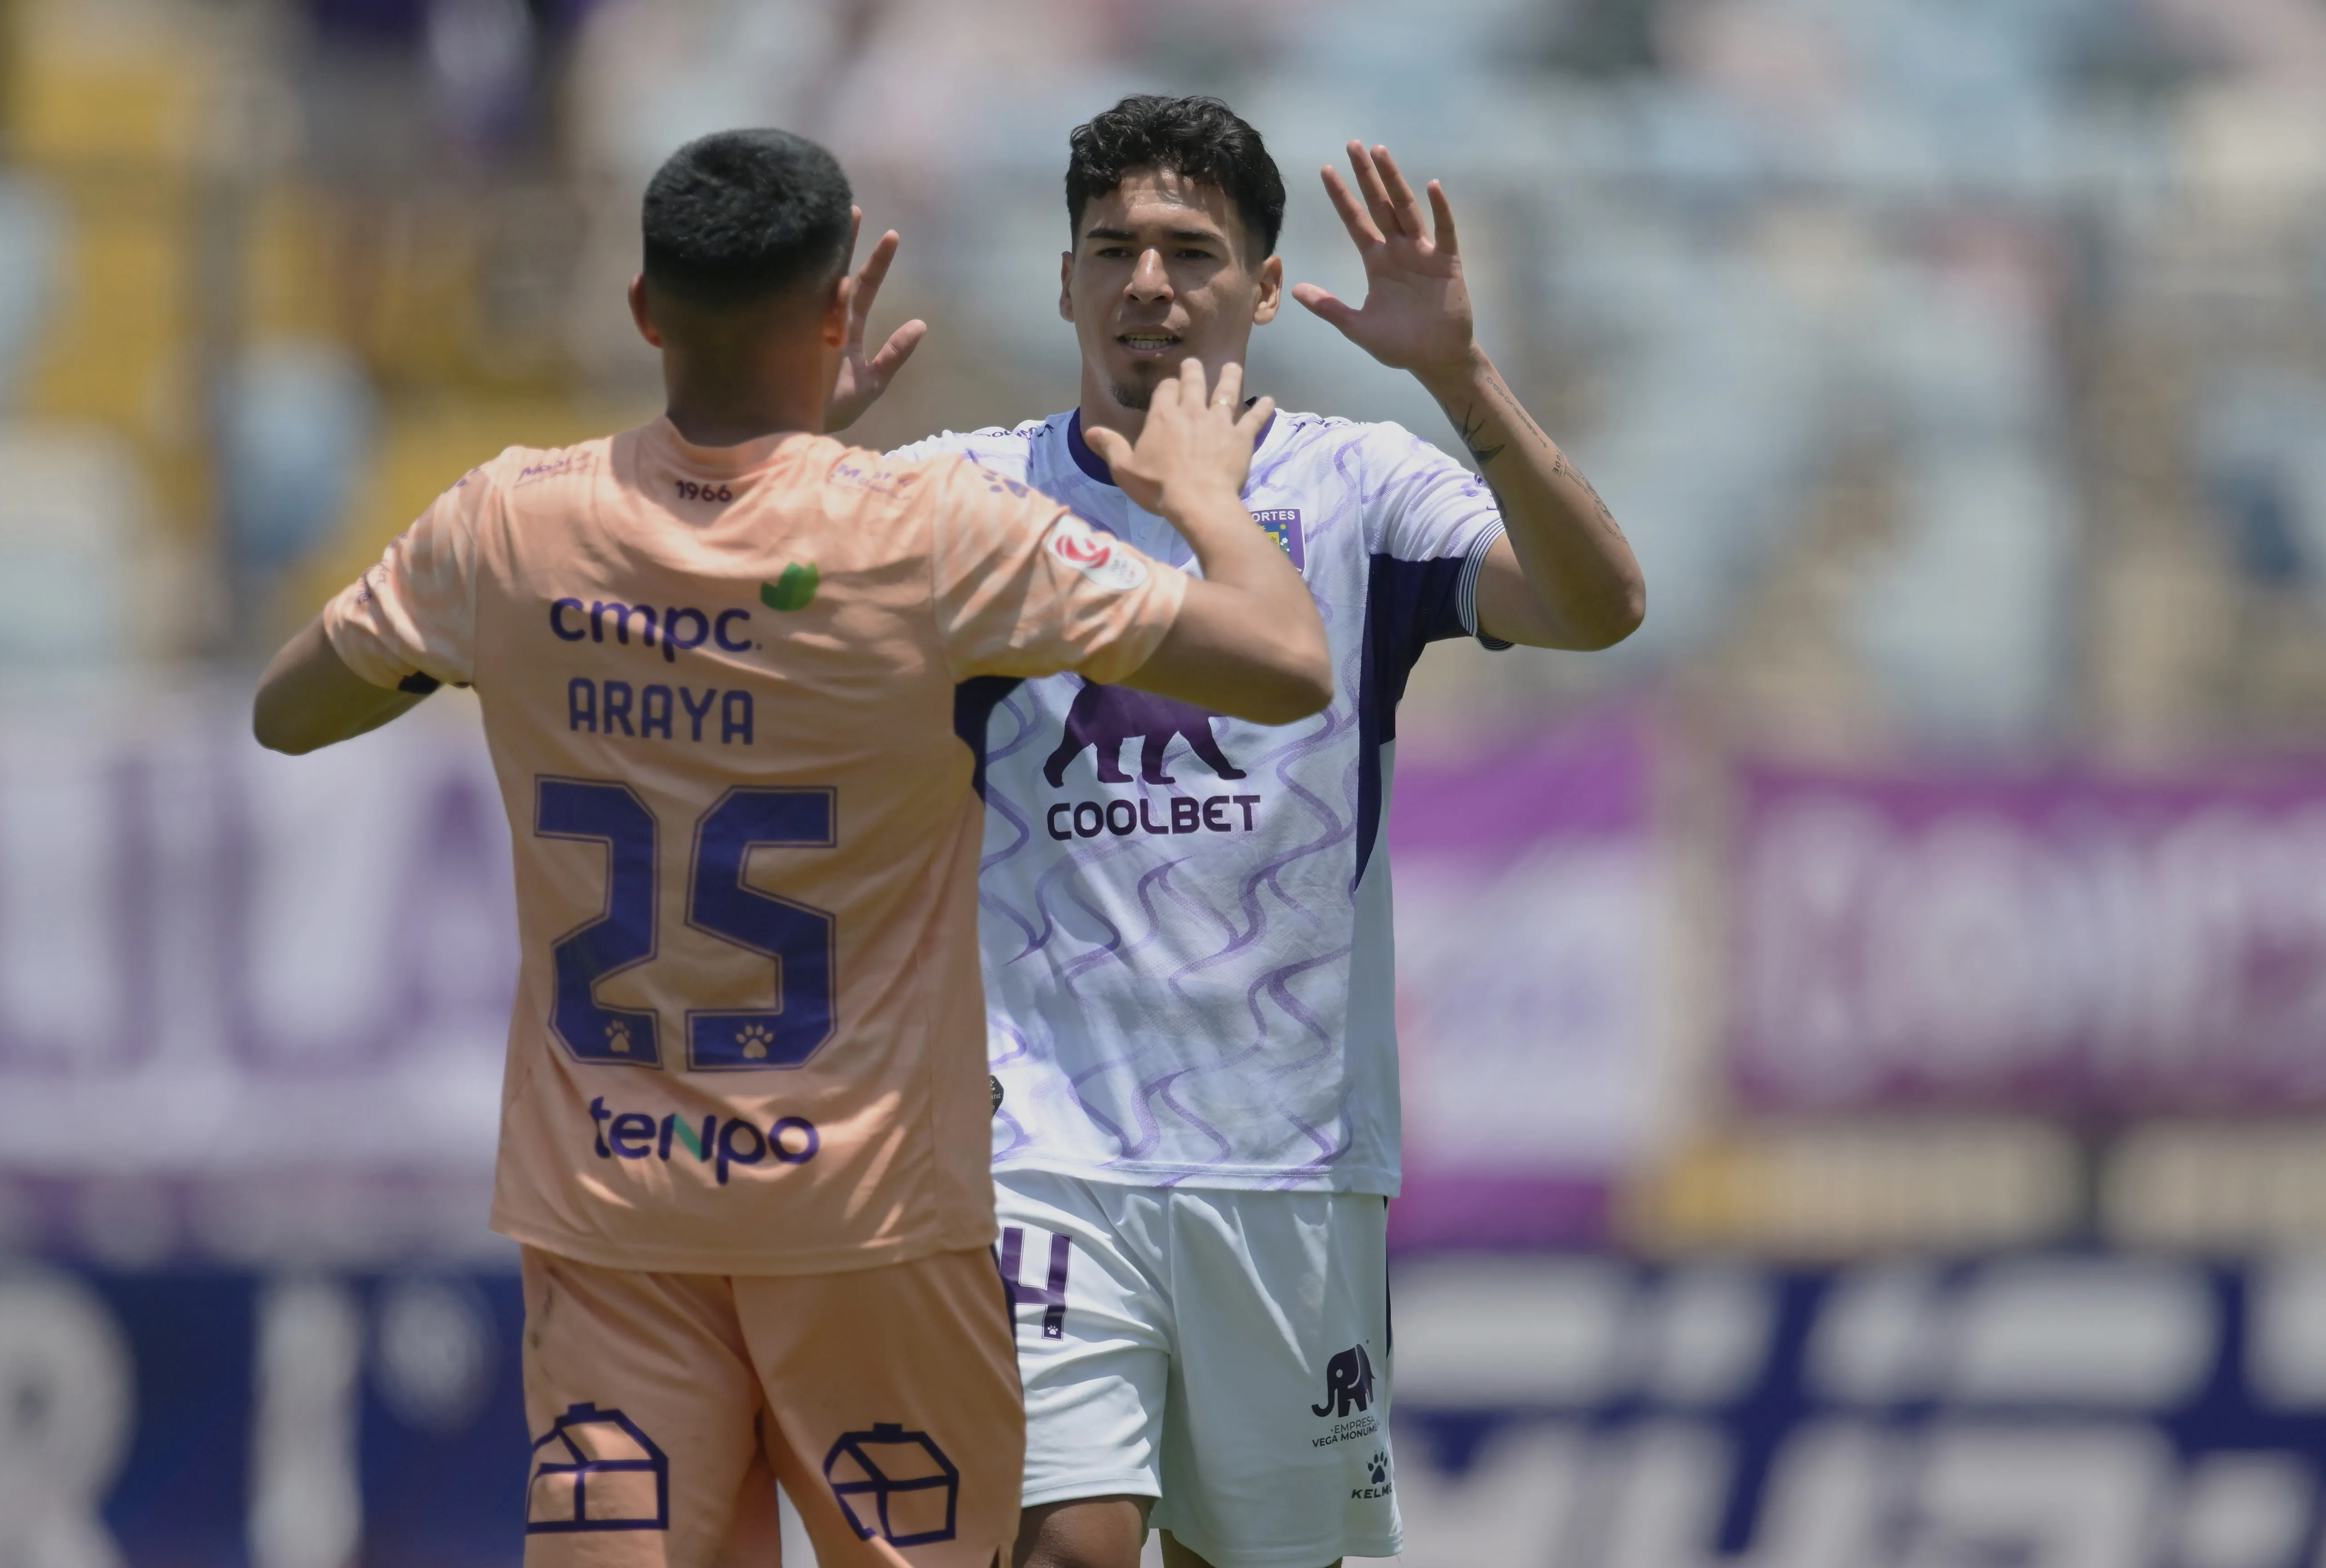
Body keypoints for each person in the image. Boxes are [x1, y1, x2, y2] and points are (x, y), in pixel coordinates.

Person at [251, 126, 1332, 1568]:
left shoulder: (507, 524)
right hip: (870, 1228)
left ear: (645, 309)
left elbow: (289, 712)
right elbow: (1286, 663)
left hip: (613, 1218)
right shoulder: (936, 535)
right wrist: (1200, 493)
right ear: (837, 313)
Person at [839, 97, 1646, 1568]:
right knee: (1068, 1547)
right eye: (1113, 249)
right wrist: (788, 456)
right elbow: (741, 609)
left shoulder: (1361, 486)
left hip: (1289, 1158)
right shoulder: (962, 494)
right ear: (1065, 282)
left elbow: (1599, 608)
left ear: (1265, 288)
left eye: (1192, 252)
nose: (1149, 282)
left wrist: (1458, 373)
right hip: (1037, 1142)